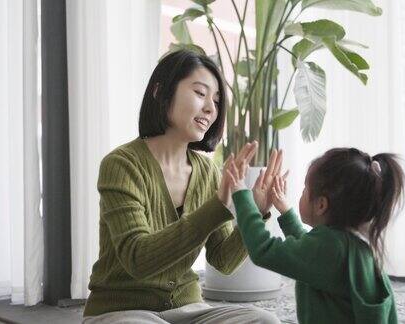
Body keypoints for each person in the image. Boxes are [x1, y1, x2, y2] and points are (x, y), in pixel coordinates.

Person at [82, 50, 280, 323]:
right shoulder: (122, 165)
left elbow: (223, 261)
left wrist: (254, 213)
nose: (211, 108)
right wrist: (217, 207)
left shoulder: (208, 171)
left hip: (189, 310)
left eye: (216, 100)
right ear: (160, 92)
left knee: (264, 321)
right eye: (200, 93)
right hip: (122, 311)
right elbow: (138, 260)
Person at [225, 147, 405, 324]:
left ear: (321, 205)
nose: (301, 194)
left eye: (305, 190)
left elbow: (263, 249)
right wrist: (285, 211)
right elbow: (308, 251)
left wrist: (241, 193)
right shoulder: (352, 244)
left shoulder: (329, 248)